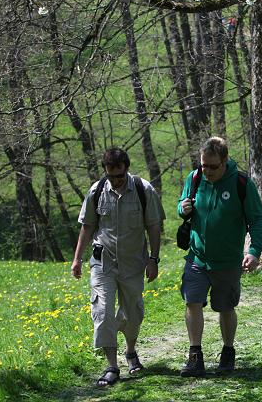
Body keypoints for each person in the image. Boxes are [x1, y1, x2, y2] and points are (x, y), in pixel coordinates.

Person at [71, 148, 166, 387]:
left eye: (119, 175)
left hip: (134, 262)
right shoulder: (97, 191)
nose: (115, 181)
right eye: (111, 176)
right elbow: (87, 226)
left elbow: (154, 226)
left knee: (133, 312)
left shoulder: (144, 190)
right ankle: (111, 366)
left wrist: (154, 259)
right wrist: (77, 258)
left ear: (126, 167)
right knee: (102, 310)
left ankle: (131, 351)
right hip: (103, 261)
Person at [177, 137, 262, 376]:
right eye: (203, 165)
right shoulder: (195, 178)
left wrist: (254, 251)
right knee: (192, 301)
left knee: (225, 307)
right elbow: (182, 203)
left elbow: (257, 220)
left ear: (225, 161)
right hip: (197, 257)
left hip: (227, 261)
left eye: (212, 167)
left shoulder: (241, 183)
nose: (206, 171)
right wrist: (182, 208)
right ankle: (195, 356)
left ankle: (228, 352)